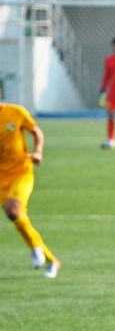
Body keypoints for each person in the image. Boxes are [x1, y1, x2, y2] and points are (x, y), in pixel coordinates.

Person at [0, 85, 59, 278]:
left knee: (13, 210)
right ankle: (50, 259)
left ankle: (37, 249)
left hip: (21, 173)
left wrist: (38, 152)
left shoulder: (16, 112)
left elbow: (37, 132)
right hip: (1, 178)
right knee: (17, 218)